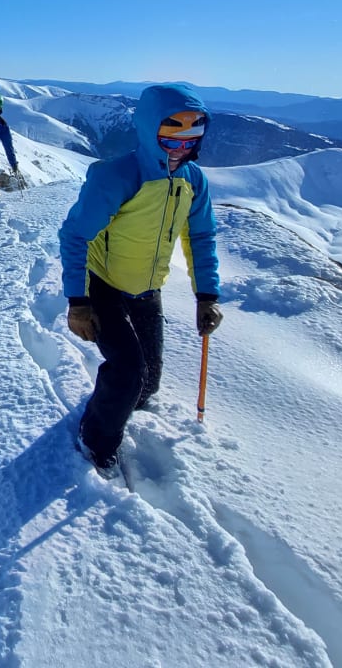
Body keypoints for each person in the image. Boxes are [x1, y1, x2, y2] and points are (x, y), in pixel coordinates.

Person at [58, 83, 223, 478]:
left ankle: (118, 403)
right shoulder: (117, 177)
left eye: (192, 135)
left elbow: (199, 236)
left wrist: (207, 296)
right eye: (172, 134)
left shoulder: (193, 181)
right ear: (151, 130)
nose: (182, 145)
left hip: (147, 287)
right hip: (103, 284)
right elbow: (75, 235)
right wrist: (78, 303)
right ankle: (95, 439)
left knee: (147, 382)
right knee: (129, 370)